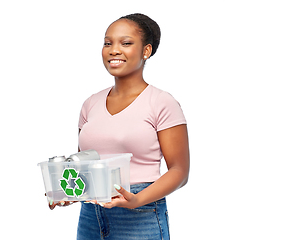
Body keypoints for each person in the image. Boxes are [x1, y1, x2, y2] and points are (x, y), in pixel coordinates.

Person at [47, 13, 190, 240]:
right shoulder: (90, 103)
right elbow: (86, 165)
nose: (113, 50)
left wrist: (136, 200)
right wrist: (71, 192)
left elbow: (180, 172)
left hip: (140, 213)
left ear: (146, 51)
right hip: (91, 215)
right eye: (107, 43)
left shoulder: (162, 102)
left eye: (126, 43)